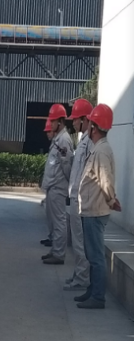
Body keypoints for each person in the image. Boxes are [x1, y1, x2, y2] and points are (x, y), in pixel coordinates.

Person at [75, 104, 120, 309]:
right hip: (91, 210)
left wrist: (111, 200)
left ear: (94, 126)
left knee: (96, 257)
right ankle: (93, 290)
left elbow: (106, 181)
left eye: (90, 123)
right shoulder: (99, 148)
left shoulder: (101, 151)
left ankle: (98, 296)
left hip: (95, 211)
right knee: (92, 255)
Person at [64, 99, 94, 291]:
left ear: (84, 119)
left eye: (76, 119)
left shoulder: (89, 142)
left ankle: (82, 278)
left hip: (81, 200)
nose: (73, 122)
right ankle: (78, 273)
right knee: (76, 241)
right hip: (75, 198)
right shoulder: (83, 140)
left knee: (80, 242)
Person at [41, 104, 73, 265]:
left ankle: (59, 254)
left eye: (53, 121)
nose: (51, 123)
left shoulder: (64, 140)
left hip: (58, 187)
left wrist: (65, 185)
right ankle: (55, 250)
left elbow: (67, 166)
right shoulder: (58, 139)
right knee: (54, 222)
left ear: (60, 121)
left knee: (59, 222)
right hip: (53, 186)